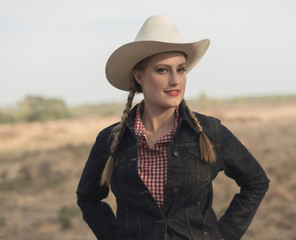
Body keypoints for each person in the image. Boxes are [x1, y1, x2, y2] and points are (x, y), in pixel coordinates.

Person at [76, 15, 270, 240]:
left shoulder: (209, 132)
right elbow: (88, 198)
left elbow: (256, 182)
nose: (175, 81)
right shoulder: (111, 140)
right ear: (139, 76)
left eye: (181, 70)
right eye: (162, 70)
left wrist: (223, 236)